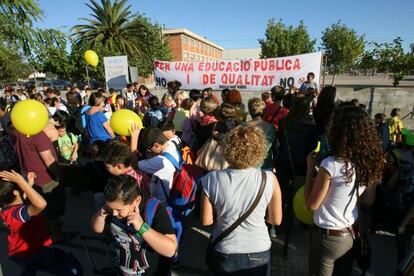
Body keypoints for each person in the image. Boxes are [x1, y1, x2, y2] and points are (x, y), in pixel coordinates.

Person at [305, 106, 384, 276]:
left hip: (327, 237)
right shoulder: (368, 163)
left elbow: (311, 204)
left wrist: (310, 169)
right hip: (349, 235)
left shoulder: (331, 164)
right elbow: (368, 200)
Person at [201, 125, 282, 275]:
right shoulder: (269, 178)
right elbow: (275, 220)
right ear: (259, 150)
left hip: (224, 249)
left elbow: (206, 221)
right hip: (259, 248)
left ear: (227, 149)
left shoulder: (211, 178)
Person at [91, 175, 177, 276]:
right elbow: (97, 229)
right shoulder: (113, 207)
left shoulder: (154, 210)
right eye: (111, 208)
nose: (114, 213)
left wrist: (142, 227)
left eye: (119, 210)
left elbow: (170, 250)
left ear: (137, 201)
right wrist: (101, 215)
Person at [0, 170, 83, 275]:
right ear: (16, 192)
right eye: (22, 184)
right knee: (72, 267)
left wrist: (28, 184)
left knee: (32, 267)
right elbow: (41, 204)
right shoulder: (19, 212)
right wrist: (22, 182)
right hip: (33, 252)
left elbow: (23, 198)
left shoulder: (8, 210)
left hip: (19, 252)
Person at [130, 126, 180, 203]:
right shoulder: (171, 144)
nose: (150, 152)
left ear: (156, 145)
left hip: (161, 201)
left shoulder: (158, 162)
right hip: (173, 192)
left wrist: (134, 138)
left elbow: (134, 165)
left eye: (149, 149)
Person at [245, 98, 276, 170]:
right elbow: (274, 146)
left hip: (248, 166)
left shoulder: (242, 126)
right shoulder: (271, 127)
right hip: (266, 165)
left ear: (250, 111)